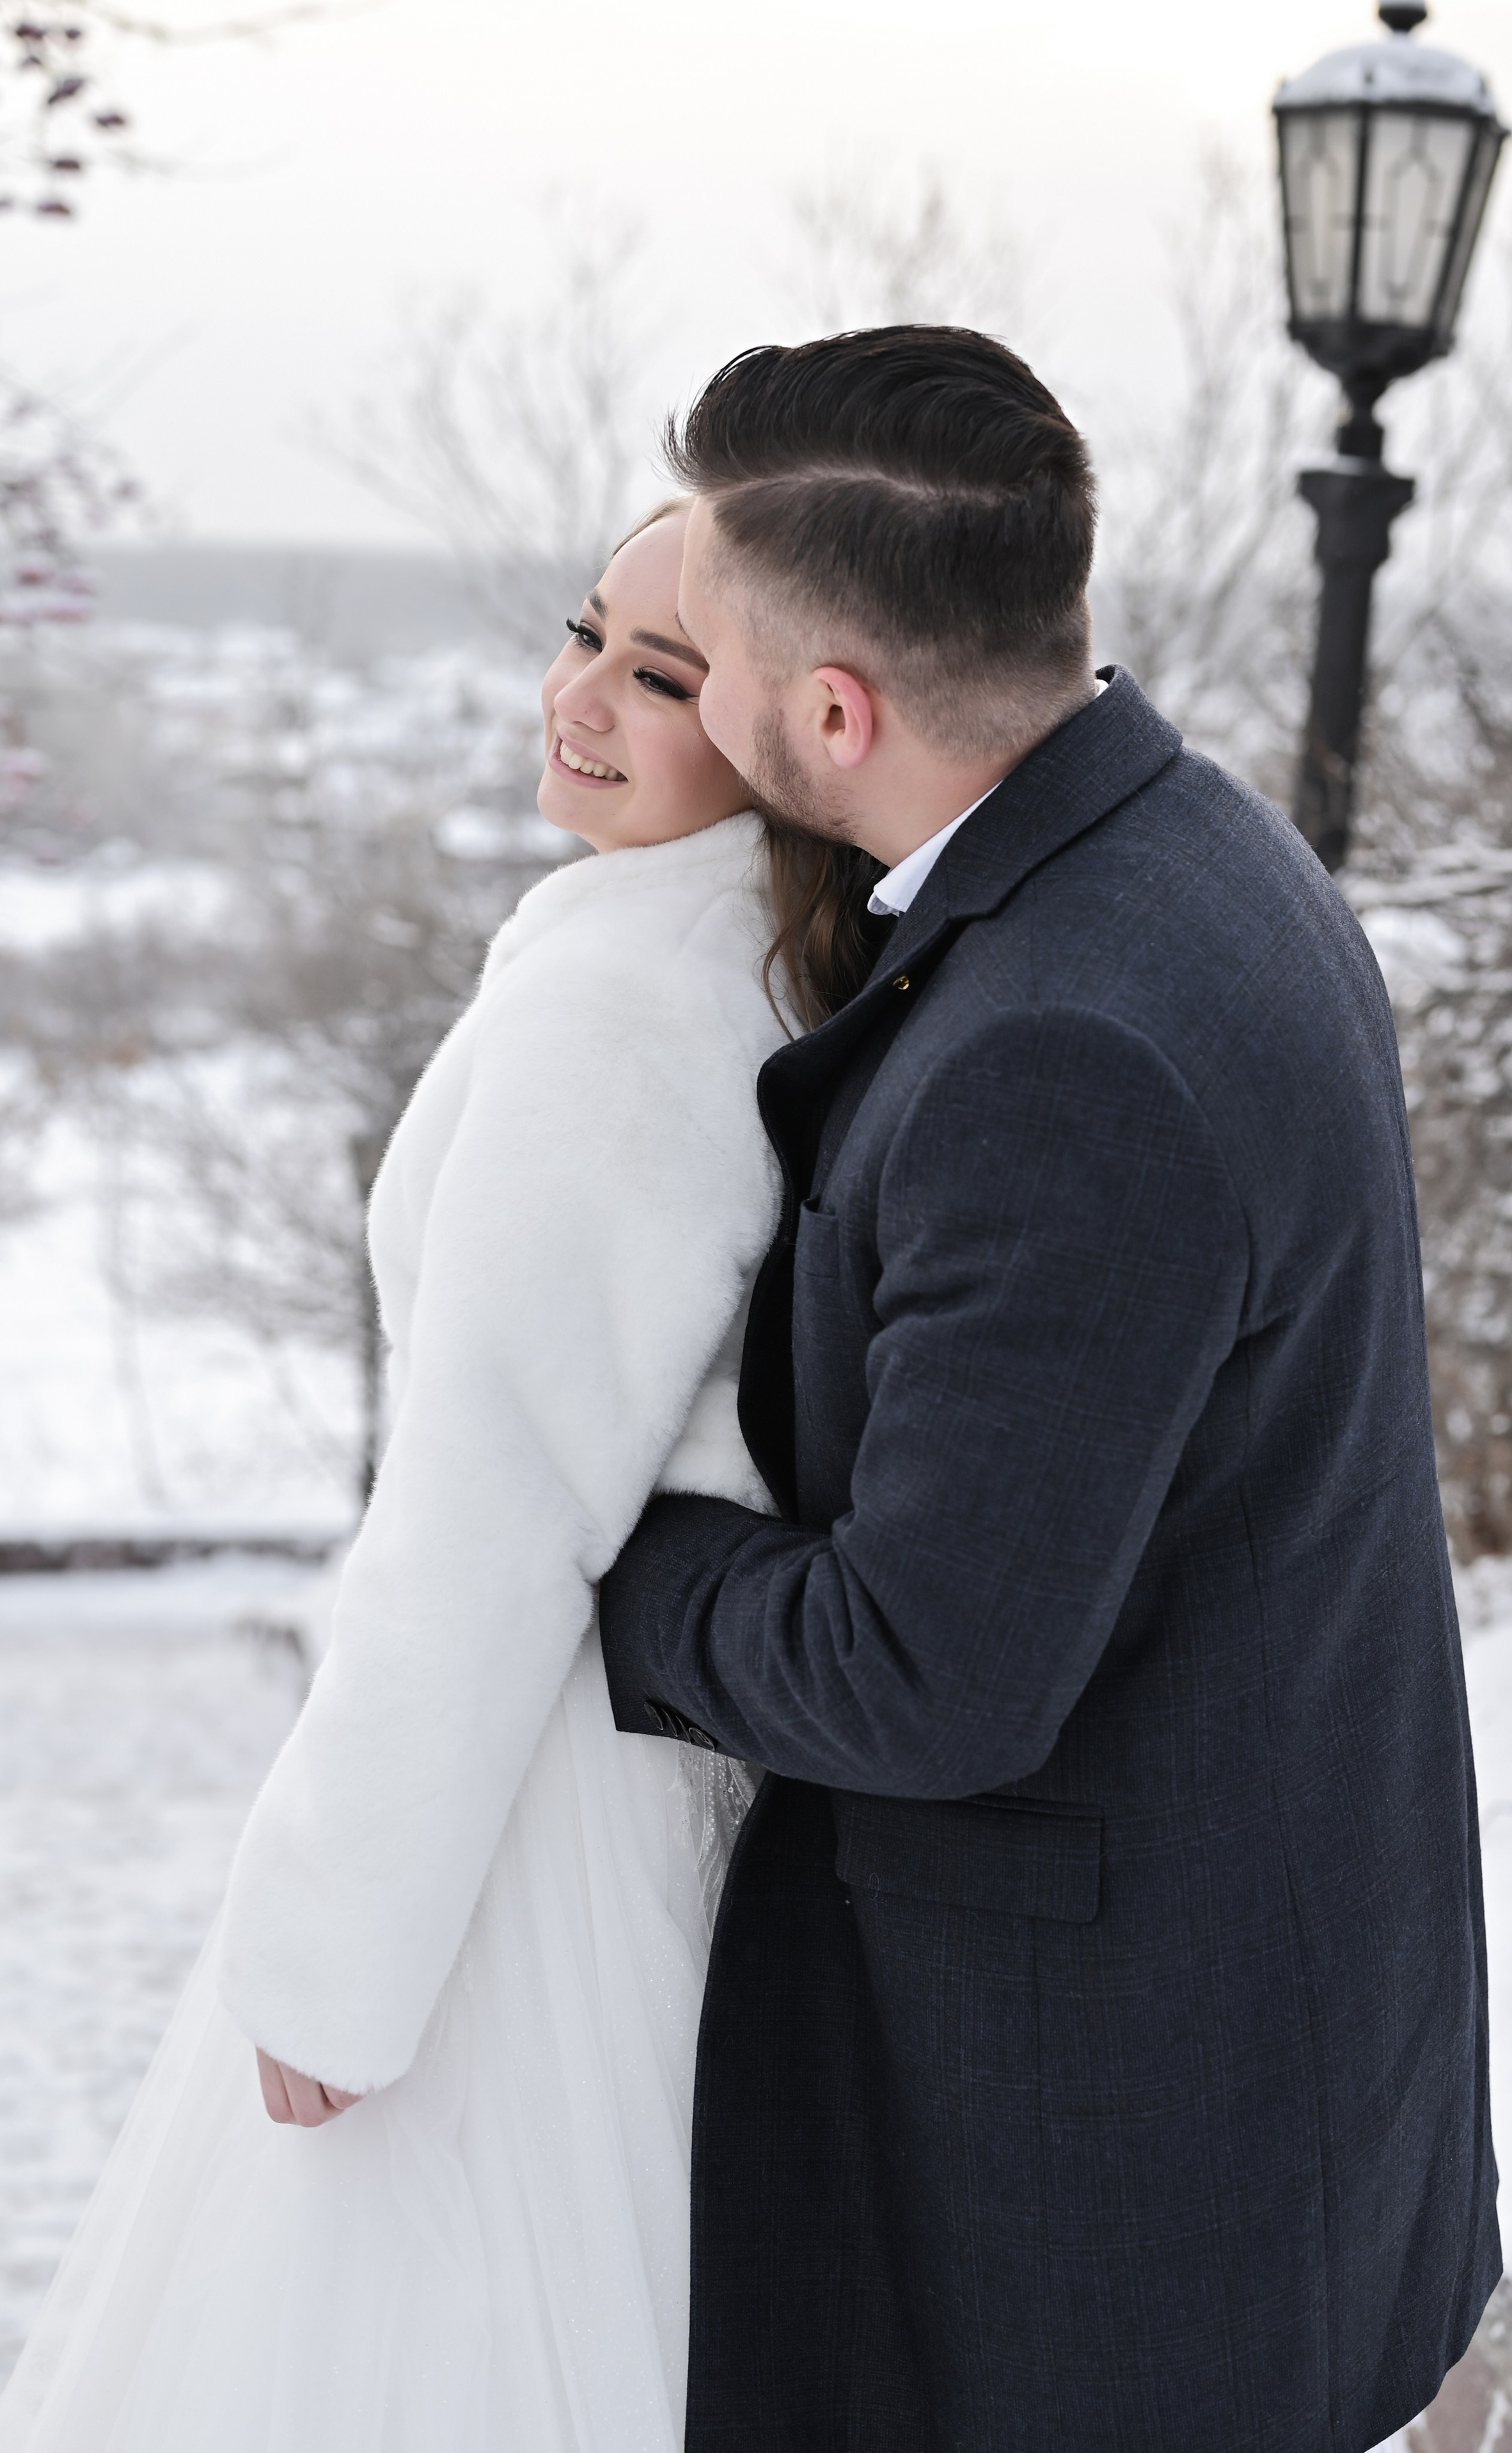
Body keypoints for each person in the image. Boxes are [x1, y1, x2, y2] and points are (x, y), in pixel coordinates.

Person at [596, 327, 1502, 2452]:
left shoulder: (1059, 1051)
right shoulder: (1206, 859)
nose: (678, 702)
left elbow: (929, 1672)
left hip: (1104, 2169)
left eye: (697, 656)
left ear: (834, 709)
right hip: (1266, 2038)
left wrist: (604, 1576)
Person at [0, 501, 876, 2453]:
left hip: (520, 1826)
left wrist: (333, 1959)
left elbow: (488, 1510)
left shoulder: (627, 1007)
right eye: (583, 635)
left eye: (657, 676)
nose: (576, 696)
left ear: (776, 721)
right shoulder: (733, 956)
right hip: (618, 1771)